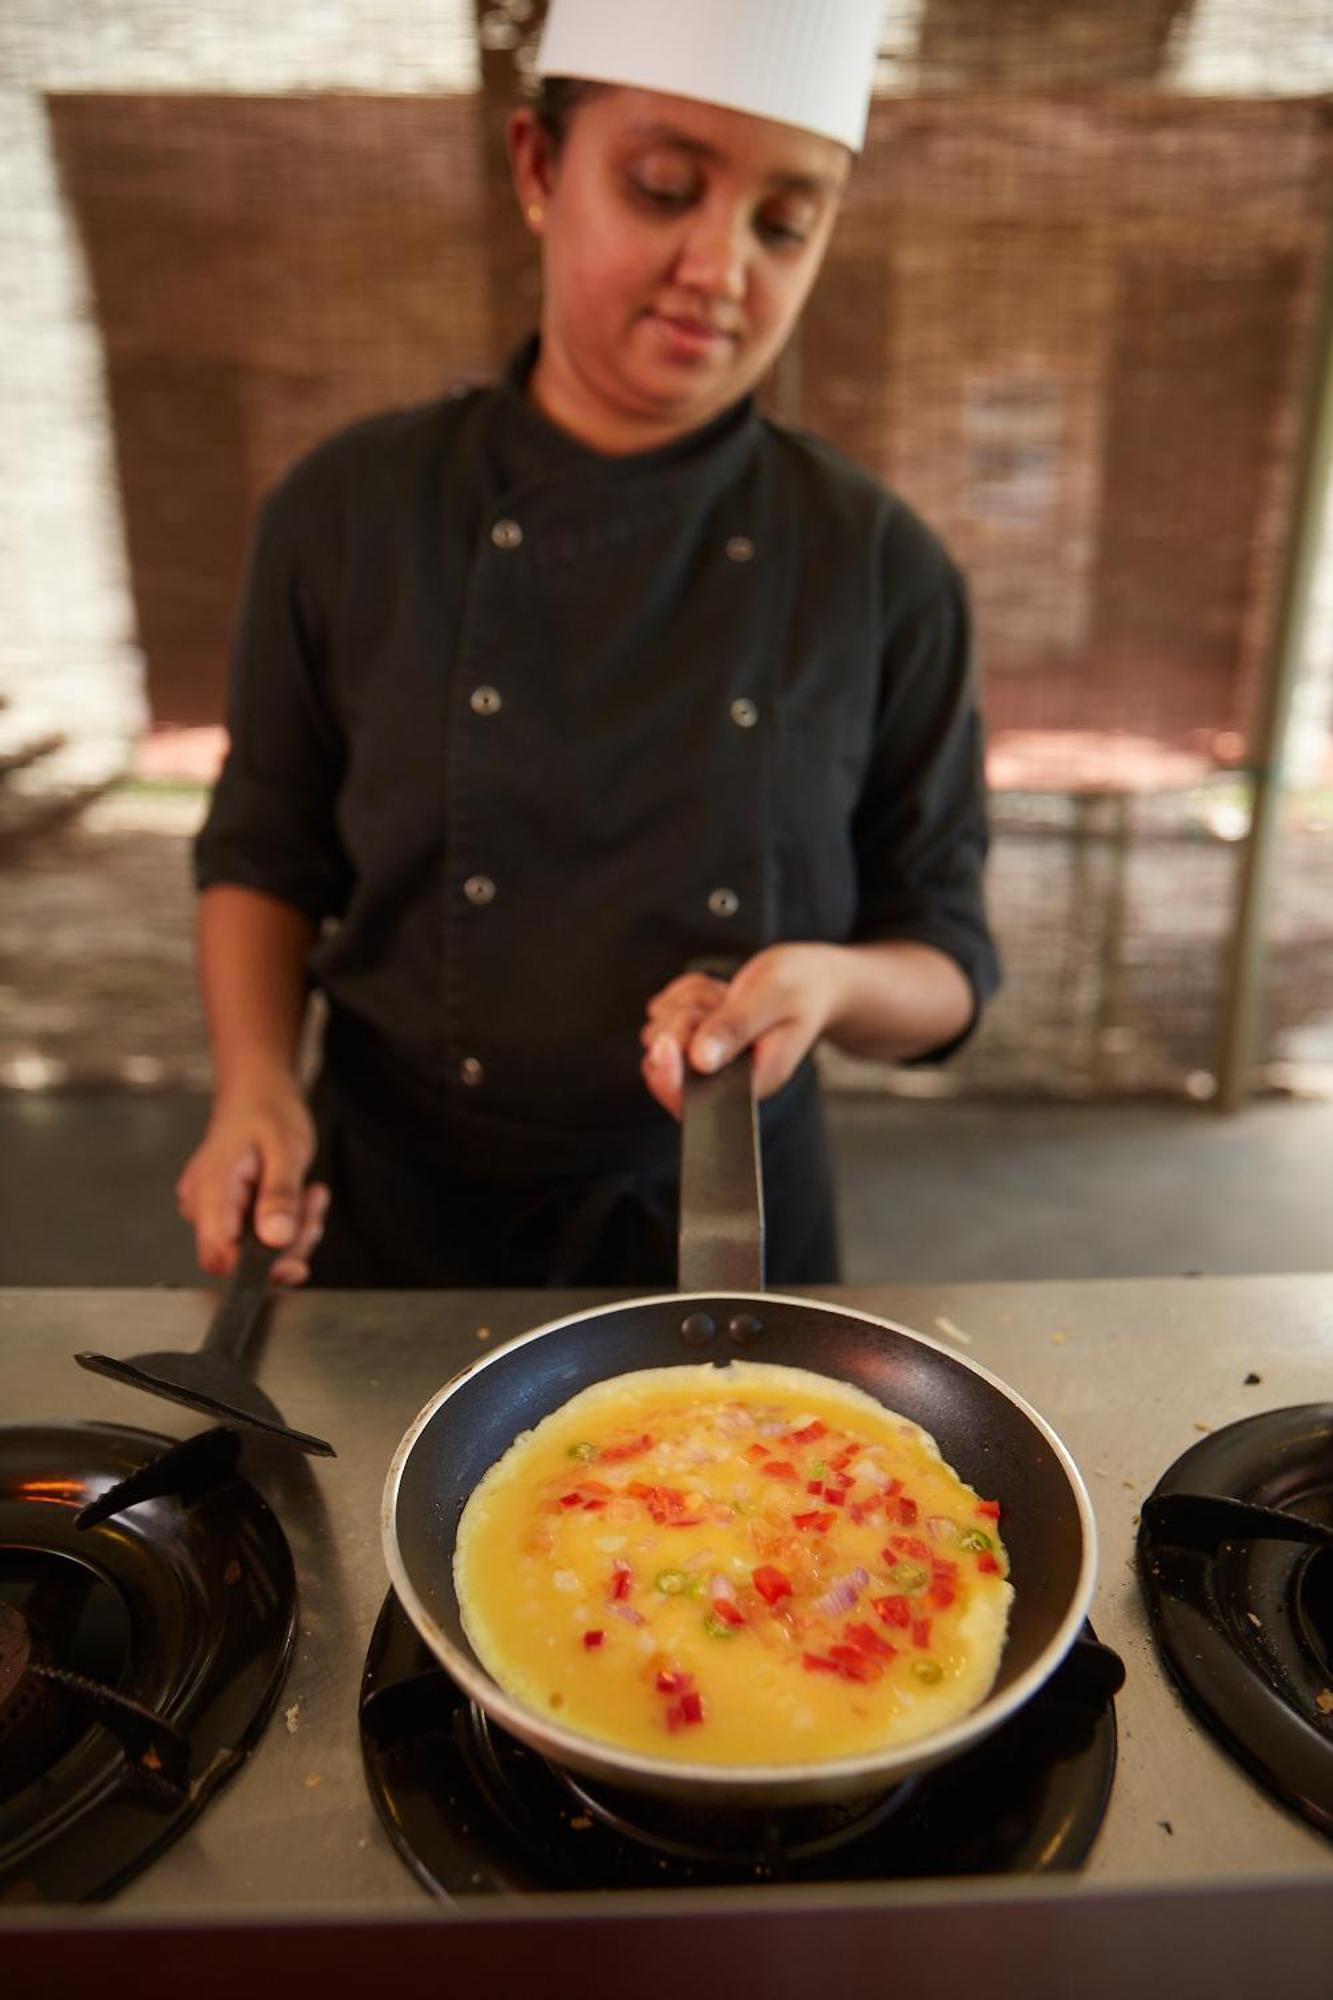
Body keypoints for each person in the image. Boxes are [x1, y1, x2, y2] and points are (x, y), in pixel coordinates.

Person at [177, 0, 999, 1292]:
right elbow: (261, 851)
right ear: (537, 168)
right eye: (664, 186)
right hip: (393, 1220)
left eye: (785, 222)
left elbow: (946, 959)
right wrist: (253, 1089)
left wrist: (831, 983)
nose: (721, 266)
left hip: (730, 1231)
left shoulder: (881, 566)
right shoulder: (348, 511)